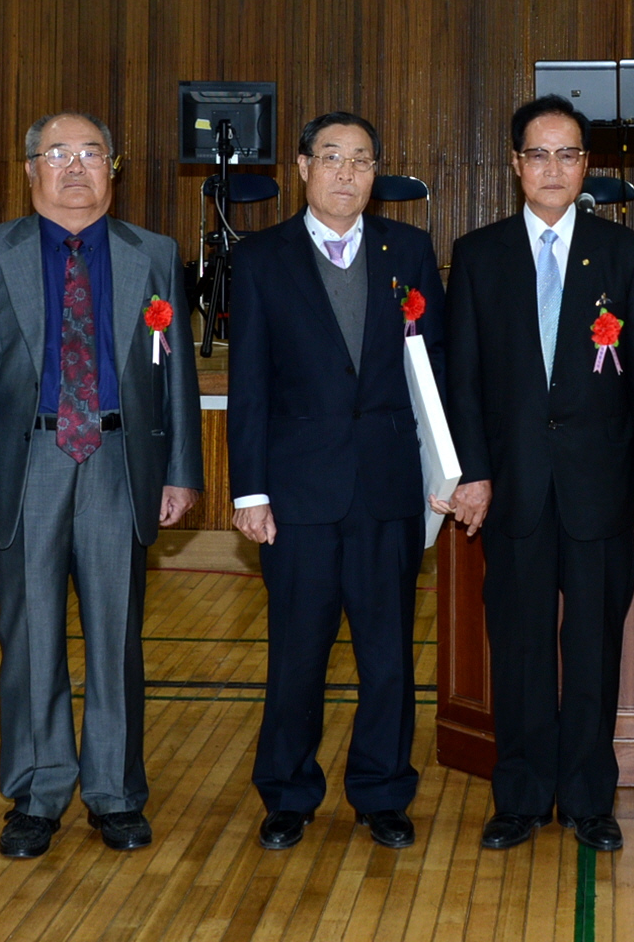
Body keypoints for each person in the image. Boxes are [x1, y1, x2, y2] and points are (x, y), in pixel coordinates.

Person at [0, 112, 202, 859]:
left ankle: (115, 793)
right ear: (29, 170)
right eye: (57, 154)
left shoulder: (154, 253)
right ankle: (37, 793)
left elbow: (176, 370)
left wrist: (181, 470)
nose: (75, 167)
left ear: (113, 168)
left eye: (91, 153)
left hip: (118, 461)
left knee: (116, 638)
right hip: (27, 464)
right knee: (30, 636)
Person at [441, 95, 634, 854]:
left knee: (592, 650)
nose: (553, 169)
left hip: (597, 488)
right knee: (516, 647)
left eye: (569, 154)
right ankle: (518, 796)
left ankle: (587, 798)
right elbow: (461, 380)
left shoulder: (625, 255)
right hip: (511, 488)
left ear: (586, 166)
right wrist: (470, 472)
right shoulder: (479, 254)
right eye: (539, 154)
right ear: (516, 164)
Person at [227, 111, 446, 851]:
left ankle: (383, 791)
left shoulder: (408, 251)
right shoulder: (262, 258)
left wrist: (445, 468)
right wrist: (249, 491)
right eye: (331, 157)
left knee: (388, 657)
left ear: (375, 173)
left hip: (388, 487)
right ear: (302, 167)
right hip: (297, 494)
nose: (346, 173)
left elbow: (434, 371)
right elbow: (249, 383)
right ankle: (287, 792)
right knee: (297, 656)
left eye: (361, 160)